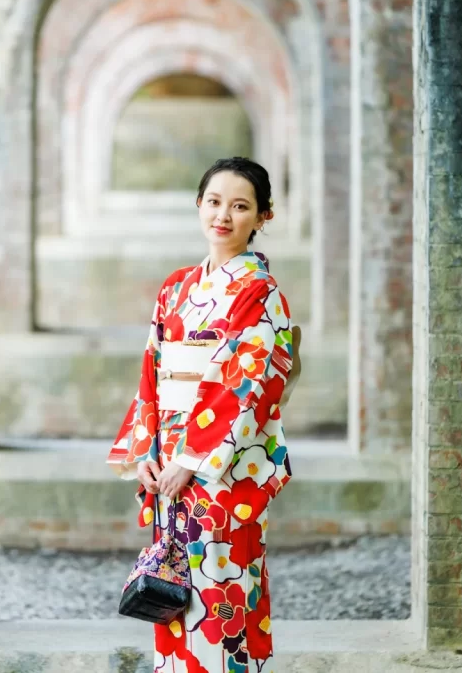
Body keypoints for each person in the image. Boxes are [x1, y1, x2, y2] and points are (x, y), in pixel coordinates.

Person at [107, 157, 296, 672]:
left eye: (240, 206)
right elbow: (152, 372)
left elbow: (249, 382)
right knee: (172, 599)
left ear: (263, 217)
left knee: (221, 598)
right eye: (214, 202)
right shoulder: (175, 288)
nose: (224, 216)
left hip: (220, 468)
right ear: (199, 206)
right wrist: (146, 452)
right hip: (168, 461)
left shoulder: (260, 293)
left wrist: (194, 458)